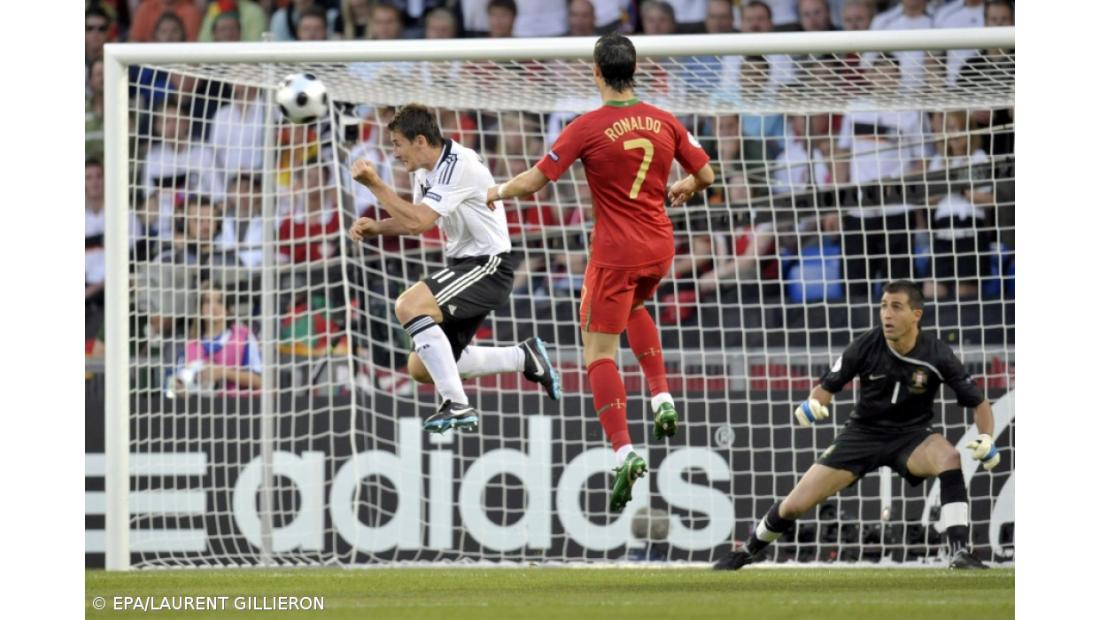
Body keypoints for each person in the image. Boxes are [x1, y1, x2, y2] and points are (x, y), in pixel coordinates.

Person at [487, 33, 715, 512]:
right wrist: (685, 186)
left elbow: (536, 181)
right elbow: (708, 175)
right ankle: (661, 397)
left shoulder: (586, 127)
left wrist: (493, 193)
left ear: (596, 72)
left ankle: (624, 451)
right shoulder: (665, 119)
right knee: (637, 306)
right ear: (635, 70)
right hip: (660, 246)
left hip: (615, 252)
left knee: (597, 352)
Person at [713, 280, 1001, 571]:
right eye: (883, 306)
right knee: (795, 504)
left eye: (896, 307)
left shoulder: (937, 354)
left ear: (916, 314)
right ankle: (747, 551)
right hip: (862, 436)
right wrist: (812, 405)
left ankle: (960, 553)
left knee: (949, 457)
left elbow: (980, 402)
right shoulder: (865, 345)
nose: (886, 314)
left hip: (912, 436)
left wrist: (987, 438)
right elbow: (825, 387)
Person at [348, 104, 562, 434]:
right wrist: (377, 228)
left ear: (419, 141)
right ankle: (524, 357)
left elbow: (419, 222)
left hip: (489, 266)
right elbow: (415, 220)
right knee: (421, 366)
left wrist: (375, 184)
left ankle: (457, 404)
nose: (394, 154)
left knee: (408, 305)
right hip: (465, 265)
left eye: (397, 144)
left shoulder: (458, 164)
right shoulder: (424, 171)